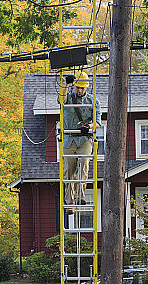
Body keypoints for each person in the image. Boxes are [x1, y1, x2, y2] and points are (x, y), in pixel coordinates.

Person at [60, 72, 102, 206]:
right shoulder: (69, 98)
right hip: (69, 139)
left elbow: (98, 122)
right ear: (74, 87)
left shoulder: (93, 101)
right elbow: (61, 100)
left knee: (84, 164)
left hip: (84, 138)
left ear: (87, 87)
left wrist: (89, 126)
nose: (80, 90)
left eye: (82, 88)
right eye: (77, 87)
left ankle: (80, 196)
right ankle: (70, 201)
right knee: (69, 171)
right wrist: (66, 84)